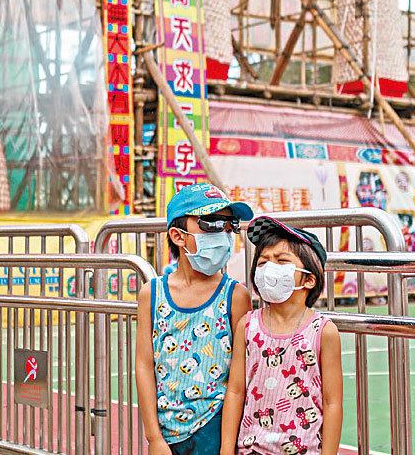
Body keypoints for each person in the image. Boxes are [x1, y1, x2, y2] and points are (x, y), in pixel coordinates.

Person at [135, 185, 254, 455]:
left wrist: (226, 445)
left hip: (215, 427)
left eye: (229, 225)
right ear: (178, 235)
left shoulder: (235, 296)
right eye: (210, 223)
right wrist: (154, 437)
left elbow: (239, 377)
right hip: (167, 432)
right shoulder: (151, 294)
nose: (223, 234)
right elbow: (144, 364)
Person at [221, 218, 342, 455]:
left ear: (309, 278)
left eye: (282, 261)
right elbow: (235, 390)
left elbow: (332, 402)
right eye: (263, 262)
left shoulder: (323, 331)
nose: (269, 268)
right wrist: (227, 450)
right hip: (251, 449)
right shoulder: (248, 325)